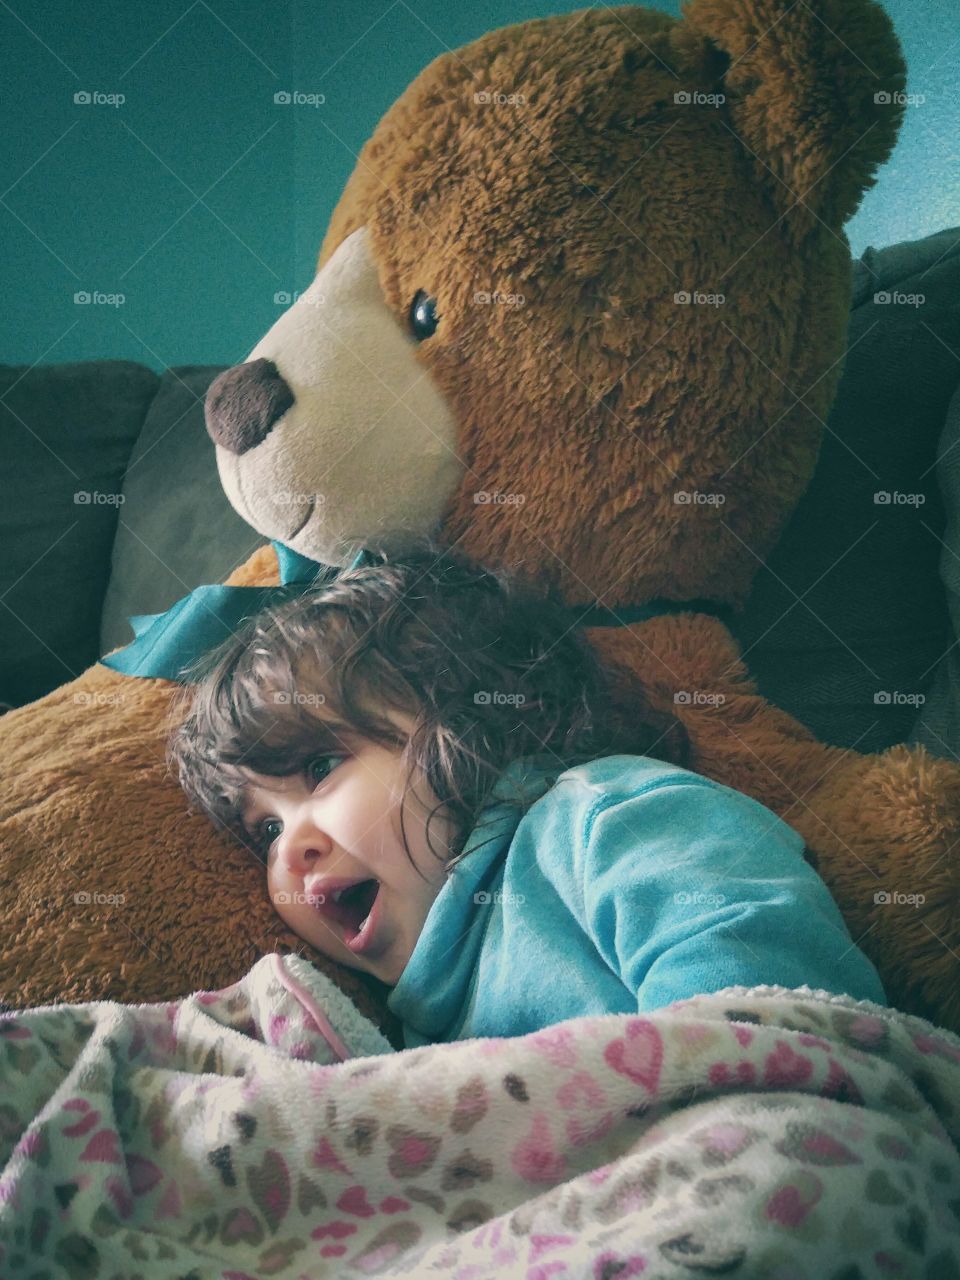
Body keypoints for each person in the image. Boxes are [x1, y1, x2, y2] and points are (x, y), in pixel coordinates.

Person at [166, 535, 886, 1048]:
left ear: (467, 719)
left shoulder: (603, 820)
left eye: (320, 769)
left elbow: (778, 1015)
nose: (292, 845)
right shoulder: (417, 1019)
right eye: (265, 830)